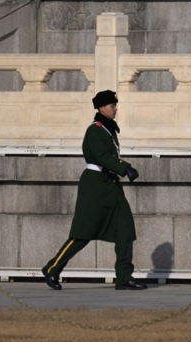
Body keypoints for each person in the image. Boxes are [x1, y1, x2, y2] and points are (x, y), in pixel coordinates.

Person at [41, 90, 147, 290]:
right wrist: (125, 168)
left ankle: (124, 278)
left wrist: (119, 170)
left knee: (125, 230)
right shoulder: (95, 130)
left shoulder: (108, 129)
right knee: (83, 233)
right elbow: (101, 156)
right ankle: (52, 268)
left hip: (111, 185)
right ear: (100, 108)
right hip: (95, 185)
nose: (115, 109)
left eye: (115, 105)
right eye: (111, 106)